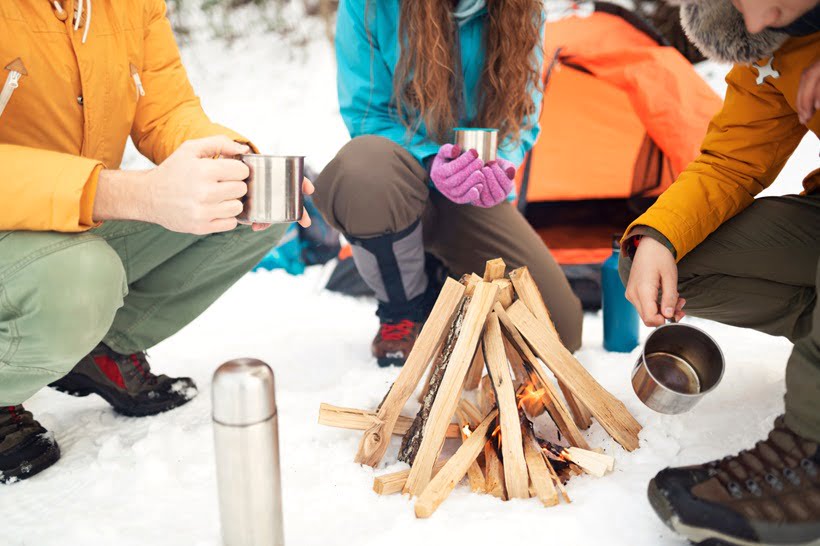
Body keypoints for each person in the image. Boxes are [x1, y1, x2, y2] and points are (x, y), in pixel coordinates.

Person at [0, 0, 312, 483]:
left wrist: (233, 164)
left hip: (72, 225)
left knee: (250, 205)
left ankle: (98, 349)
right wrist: (132, 194)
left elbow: (166, 111)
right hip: (28, 234)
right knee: (82, 274)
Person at [619, 0, 819, 543]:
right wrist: (658, 236)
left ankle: (810, 453)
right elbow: (731, 161)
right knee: (673, 261)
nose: (754, 26)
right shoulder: (770, 41)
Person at [314, 0, 583, 367]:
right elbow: (367, 114)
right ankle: (403, 309)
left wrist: (500, 164)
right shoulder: (369, 6)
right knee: (361, 168)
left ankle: (443, 278)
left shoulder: (523, 9)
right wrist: (429, 158)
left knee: (558, 330)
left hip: (471, 198)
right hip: (399, 180)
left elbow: (523, 116)